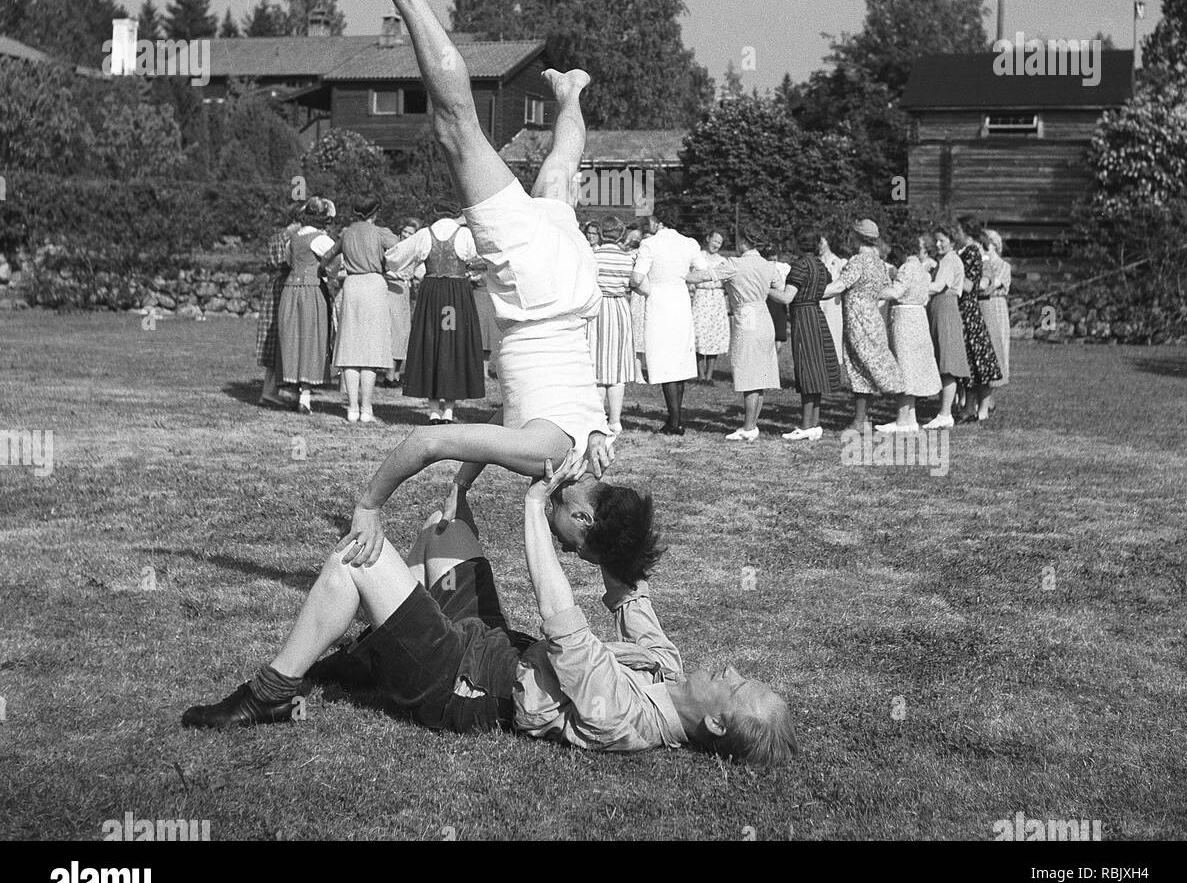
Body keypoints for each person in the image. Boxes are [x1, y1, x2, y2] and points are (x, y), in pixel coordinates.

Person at [181, 458, 797, 766]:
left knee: (358, 560)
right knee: (444, 527)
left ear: (716, 726)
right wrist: (605, 516)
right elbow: (626, 591)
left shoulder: (629, 721)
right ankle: (362, 660)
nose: (729, 667)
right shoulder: (665, 668)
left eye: (735, 686)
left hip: (461, 681)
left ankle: (270, 689)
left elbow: (564, 621)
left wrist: (536, 508)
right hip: (492, 642)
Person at [314, 0, 612, 488]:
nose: (563, 543)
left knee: (558, 175)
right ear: (583, 513)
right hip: (539, 290)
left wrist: (460, 488)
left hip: (573, 286)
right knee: (457, 129)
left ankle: (570, 94)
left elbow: (509, 415)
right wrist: (371, 504)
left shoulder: (586, 441)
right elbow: (431, 440)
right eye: (572, 538)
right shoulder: (546, 459)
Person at [387, 202, 484, 423]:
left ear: (434, 213)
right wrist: (470, 268)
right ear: (456, 213)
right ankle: (449, 410)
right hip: (457, 294)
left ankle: (433, 410)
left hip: (432, 294)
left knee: (432, 344)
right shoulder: (465, 235)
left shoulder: (424, 235)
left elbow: (394, 257)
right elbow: (487, 255)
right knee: (453, 344)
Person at [322, 196, 401, 424]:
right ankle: (366, 409)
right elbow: (401, 249)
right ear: (375, 213)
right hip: (374, 284)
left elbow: (328, 256)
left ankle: (352, 408)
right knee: (371, 349)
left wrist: (322, 272)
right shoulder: (380, 232)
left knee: (350, 348)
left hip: (353, 286)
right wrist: (389, 266)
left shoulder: (346, 233)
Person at [823, 218, 903, 434]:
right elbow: (885, 289)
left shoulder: (857, 261)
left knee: (861, 367)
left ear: (856, 236)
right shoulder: (878, 262)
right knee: (865, 368)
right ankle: (862, 419)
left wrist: (813, 292)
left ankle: (895, 411)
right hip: (873, 318)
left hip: (858, 319)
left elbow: (841, 285)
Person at [706, 229, 784, 442]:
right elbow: (780, 288)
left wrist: (681, 277)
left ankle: (749, 427)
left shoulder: (735, 264)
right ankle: (752, 424)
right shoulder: (768, 265)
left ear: (744, 242)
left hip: (747, 319)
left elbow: (707, 275)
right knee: (758, 374)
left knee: (749, 374)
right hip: (764, 318)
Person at [632, 214, 704, 435]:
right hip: (680, 300)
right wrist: (680, 278)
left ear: (657, 223)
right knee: (678, 361)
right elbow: (700, 273)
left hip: (659, 301)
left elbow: (636, 278)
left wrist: (649, 289)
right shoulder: (690, 243)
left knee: (665, 361)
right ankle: (676, 419)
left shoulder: (650, 244)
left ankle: (675, 422)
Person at [772, 228, 842, 441]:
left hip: (803, 317)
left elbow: (786, 298)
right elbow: (826, 286)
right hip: (817, 315)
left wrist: (763, 290)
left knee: (805, 370)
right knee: (816, 371)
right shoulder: (820, 265)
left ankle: (804, 425)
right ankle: (814, 424)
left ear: (798, 243)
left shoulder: (800, 265)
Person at [276, 198, 337, 414]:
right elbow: (336, 262)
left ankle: (292, 390)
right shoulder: (321, 240)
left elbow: (289, 262)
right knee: (311, 339)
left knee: (294, 339)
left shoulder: (293, 238)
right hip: (311, 290)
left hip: (290, 291)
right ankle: (305, 396)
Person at [877, 237, 943, 432]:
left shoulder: (907, 268)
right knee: (911, 368)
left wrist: (875, 291)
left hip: (905, 319)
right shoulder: (922, 269)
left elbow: (896, 292)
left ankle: (902, 419)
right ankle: (910, 417)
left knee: (904, 368)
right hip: (918, 318)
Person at [590, 216, 638, 436]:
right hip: (619, 308)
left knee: (598, 365)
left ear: (601, 233)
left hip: (598, 308)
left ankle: (598, 417)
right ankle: (615, 420)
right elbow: (638, 284)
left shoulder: (592, 256)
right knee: (617, 366)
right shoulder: (627, 258)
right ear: (620, 234)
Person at [955, 221, 1003, 423]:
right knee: (969, 364)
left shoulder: (973, 252)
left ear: (967, 232)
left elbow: (972, 285)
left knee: (980, 362)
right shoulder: (963, 251)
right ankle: (968, 407)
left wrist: (951, 278)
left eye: (958, 229)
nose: (956, 232)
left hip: (970, 312)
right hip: (963, 311)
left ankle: (982, 408)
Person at [256, 205, 303, 407]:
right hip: (281, 288)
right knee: (278, 336)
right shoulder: (287, 239)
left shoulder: (278, 237)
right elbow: (282, 263)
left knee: (276, 337)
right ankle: (271, 391)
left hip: (277, 287)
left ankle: (272, 390)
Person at [924, 225, 970, 429]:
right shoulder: (945, 260)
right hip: (940, 309)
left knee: (947, 362)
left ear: (952, 241)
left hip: (945, 309)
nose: (938, 243)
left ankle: (945, 414)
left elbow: (939, 286)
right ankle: (945, 410)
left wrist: (915, 284)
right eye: (936, 240)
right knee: (943, 359)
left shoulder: (950, 260)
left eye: (942, 240)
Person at [690, 229, 731, 382]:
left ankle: (709, 376)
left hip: (717, 299)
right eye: (715, 241)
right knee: (699, 334)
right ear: (708, 239)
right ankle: (700, 375)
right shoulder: (698, 256)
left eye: (719, 243)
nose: (716, 245)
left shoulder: (722, 260)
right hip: (701, 297)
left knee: (714, 335)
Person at [384, 217, 419, 387]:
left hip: (403, 291)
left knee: (403, 332)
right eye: (404, 231)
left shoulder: (413, 251)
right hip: (392, 291)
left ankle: (396, 374)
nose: (406, 235)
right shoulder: (393, 248)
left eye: (410, 233)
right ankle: (389, 375)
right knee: (395, 331)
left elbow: (411, 273)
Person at [980, 227, 1012, 413]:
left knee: (996, 348)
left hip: (997, 307)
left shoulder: (1004, 266)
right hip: (982, 305)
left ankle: (990, 397)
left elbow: (993, 286)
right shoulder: (982, 263)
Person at [625, 226, 649, 383]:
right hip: (637, 297)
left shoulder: (650, 256)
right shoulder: (630, 256)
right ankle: (636, 371)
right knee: (637, 334)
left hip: (649, 296)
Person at [817, 232, 846, 365]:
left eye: (822, 242)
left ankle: (834, 365)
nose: (820, 246)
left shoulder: (838, 262)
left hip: (833, 305)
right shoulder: (816, 261)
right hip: (818, 303)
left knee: (833, 333)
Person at [759, 242, 791, 359]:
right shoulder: (761, 267)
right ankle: (765, 362)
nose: (772, 258)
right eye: (768, 256)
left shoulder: (784, 267)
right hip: (765, 301)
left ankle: (775, 362)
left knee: (779, 335)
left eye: (774, 255)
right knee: (765, 335)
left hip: (779, 303)